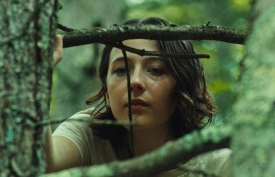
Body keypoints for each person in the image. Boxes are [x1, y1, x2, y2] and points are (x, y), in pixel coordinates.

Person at [46, 17, 232, 176]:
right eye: (121, 70)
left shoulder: (218, 165)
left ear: (183, 87)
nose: (134, 82)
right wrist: (40, 76)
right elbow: (43, 162)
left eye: (155, 70)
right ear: (107, 91)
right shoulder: (88, 134)